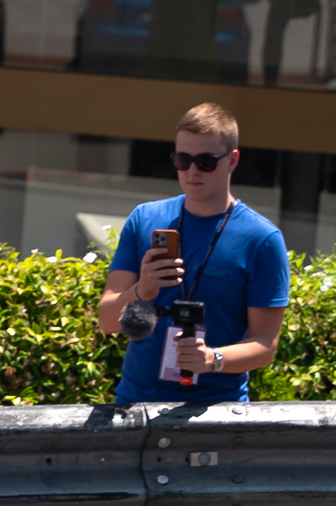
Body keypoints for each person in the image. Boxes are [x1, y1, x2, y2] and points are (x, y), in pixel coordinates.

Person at [97, 103, 291, 408]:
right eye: (182, 159)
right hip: (135, 404)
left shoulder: (261, 239)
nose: (192, 171)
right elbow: (107, 321)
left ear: (232, 160)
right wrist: (141, 290)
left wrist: (213, 359)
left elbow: (265, 346)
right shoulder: (145, 218)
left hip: (216, 411)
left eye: (206, 161)